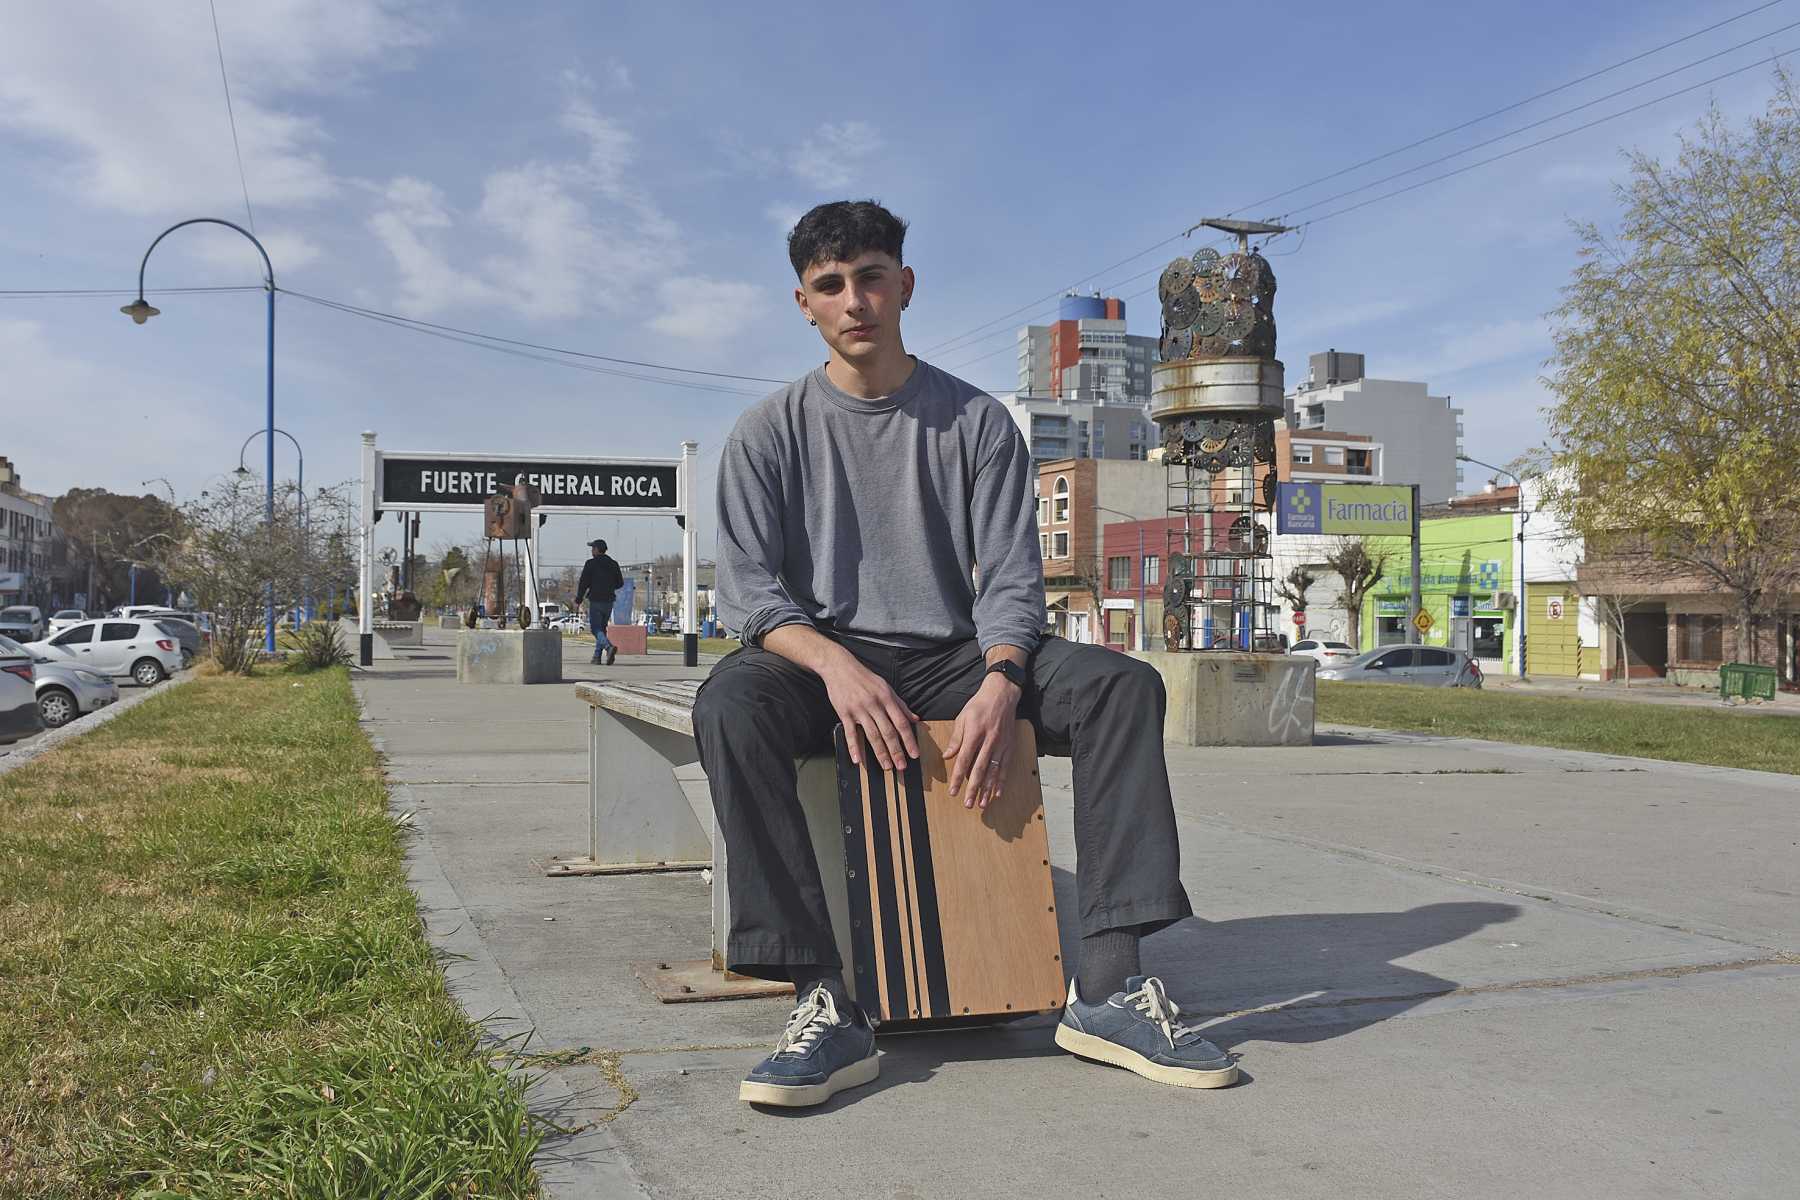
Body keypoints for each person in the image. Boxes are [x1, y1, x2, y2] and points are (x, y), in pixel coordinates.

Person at [700, 200, 1237, 1110]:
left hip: (954, 650)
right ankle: (822, 1001)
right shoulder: (769, 430)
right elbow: (752, 598)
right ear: (805, 304)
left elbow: (1014, 583)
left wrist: (1002, 678)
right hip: (820, 654)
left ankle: (1107, 991)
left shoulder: (978, 422)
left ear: (903, 285)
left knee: (1121, 686)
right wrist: (837, 665)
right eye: (830, 286)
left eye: (870, 277)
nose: (854, 300)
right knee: (731, 704)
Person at [574, 539, 624, 665]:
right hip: (609, 600)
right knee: (602, 628)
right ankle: (597, 657)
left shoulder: (590, 563)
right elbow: (620, 583)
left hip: (596, 600)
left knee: (595, 629)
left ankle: (608, 647)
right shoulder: (614, 564)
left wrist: (578, 599)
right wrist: (609, 587)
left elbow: (583, 583)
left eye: (593, 548)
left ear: (597, 549)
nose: (591, 551)